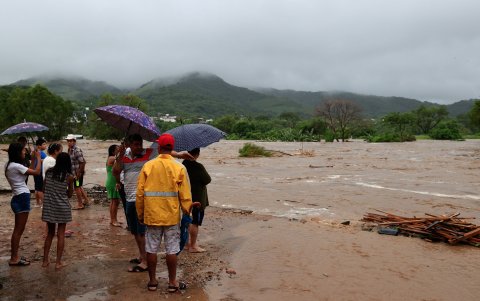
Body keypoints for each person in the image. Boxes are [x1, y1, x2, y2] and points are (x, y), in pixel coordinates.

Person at [112, 134, 194, 273]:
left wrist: (179, 155)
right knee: (135, 231)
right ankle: (142, 255)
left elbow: (165, 152)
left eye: (140, 144)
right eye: (136, 144)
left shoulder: (149, 154)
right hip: (129, 197)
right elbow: (116, 172)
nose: (139, 147)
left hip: (143, 199)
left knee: (143, 232)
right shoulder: (123, 156)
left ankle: (145, 261)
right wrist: (119, 155)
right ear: (129, 145)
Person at [136, 133, 195, 292]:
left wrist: (140, 214)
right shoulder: (180, 167)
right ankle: (172, 282)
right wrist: (187, 212)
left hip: (152, 215)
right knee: (172, 249)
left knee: (151, 248)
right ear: (172, 148)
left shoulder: (148, 166)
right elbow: (186, 195)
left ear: (159, 147)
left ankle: (153, 282)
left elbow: (140, 193)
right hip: (171, 216)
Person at [4, 142, 42, 266]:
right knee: (18, 231)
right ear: (17, 152)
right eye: (23, 151)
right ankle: (14, 258)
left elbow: (28, 171)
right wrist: (37, 158)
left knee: (18, 230)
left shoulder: (9, 165)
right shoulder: (16, 166)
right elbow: (36, 172)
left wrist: (32, 160)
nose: (24, 152)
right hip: (21, 197)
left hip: (17, 197)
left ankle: (15, 256)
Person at [41, 152, 74, 270]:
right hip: (62, 207)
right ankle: (58, 262)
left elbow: (44, 188)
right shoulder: (69, 176)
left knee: (50, 234)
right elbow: (70, 195)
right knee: (61, 235)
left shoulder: (49, 172)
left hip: (49, 206)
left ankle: (45, 261)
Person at [182, 148, 211, 253]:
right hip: (198, 199)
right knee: (195, 222)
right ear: (197, 154)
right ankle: (193, 246)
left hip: (185, 198)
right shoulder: (198, 167)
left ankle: (186, 244)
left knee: (186, 221)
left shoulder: (183, 164)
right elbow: (208, 179)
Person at [66, 134, 90, 209]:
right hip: (73, 173)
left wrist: (79, 173)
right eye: (68, 141)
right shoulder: (70, 149)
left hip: (77, 173)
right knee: (79, 186)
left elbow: (82, 162)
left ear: (74, 141)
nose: (69, 142)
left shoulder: (77, 150)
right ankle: (86, 201)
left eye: (71, 141)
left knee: (77, 187)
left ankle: (80, 204)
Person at [106, 144, 121, 227]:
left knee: (114, 201)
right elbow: (121, 159)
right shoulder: (112, 158)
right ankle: (113, 220)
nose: (119, 150)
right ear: (113, 151)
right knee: (115, 201)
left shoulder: (112, 158)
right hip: (112, 182)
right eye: (117, 149)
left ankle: (113, 219)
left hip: (111, 181)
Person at [33, 138, 48, 207]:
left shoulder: (35, 152)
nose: (45, 146)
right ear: (39, 146)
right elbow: (45, 161)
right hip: (40, 172)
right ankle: (45, 205)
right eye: (44, 144)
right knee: (40, 189)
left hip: (35, 172)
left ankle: (38, 203)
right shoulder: (41, 153)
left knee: (36, 187)